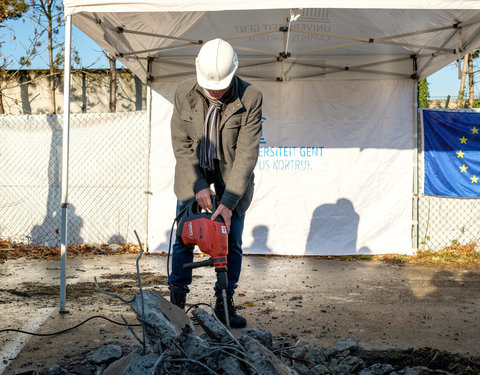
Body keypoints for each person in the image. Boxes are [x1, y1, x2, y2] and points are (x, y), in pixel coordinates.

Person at [168, 38, 263, 328]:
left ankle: (224, 303)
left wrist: (229, 201)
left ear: (233, 73)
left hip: (231, 180)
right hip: (193, 177)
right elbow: (181, 145)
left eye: (221, 85)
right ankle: (176, 304)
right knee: (184, 239)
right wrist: (198, 185)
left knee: (230, 241)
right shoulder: (184, 93)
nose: (215, 90)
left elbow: (247, 154)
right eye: (210, 85)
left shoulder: (250, 98)